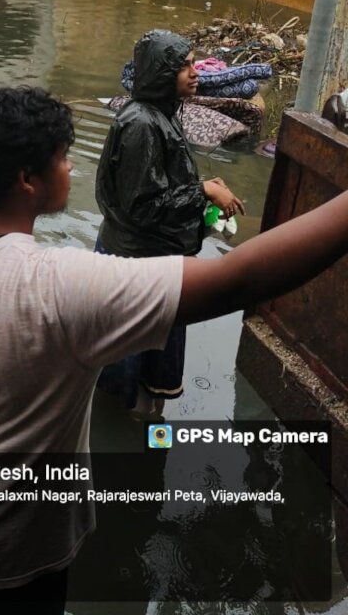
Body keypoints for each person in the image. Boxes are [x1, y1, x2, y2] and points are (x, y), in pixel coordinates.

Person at [0, 83, 348, 612]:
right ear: (27, 180)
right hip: (6, 557)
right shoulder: (63, 286)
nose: (72, 169)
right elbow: (237, 280)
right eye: (63, 159)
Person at [95, 29, 244, 417]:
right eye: (184, 66)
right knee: (134, 370)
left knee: (147, 364)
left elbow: (158, 188)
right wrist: (202, 193)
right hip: (138, 265)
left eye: (194, 63)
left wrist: (202, 189)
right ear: (162, 72)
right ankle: (135, 448)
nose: (195, 73)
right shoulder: (141, 124)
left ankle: (144, 430)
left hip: (155, 260)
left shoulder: (163, 113)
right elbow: (142, 206)